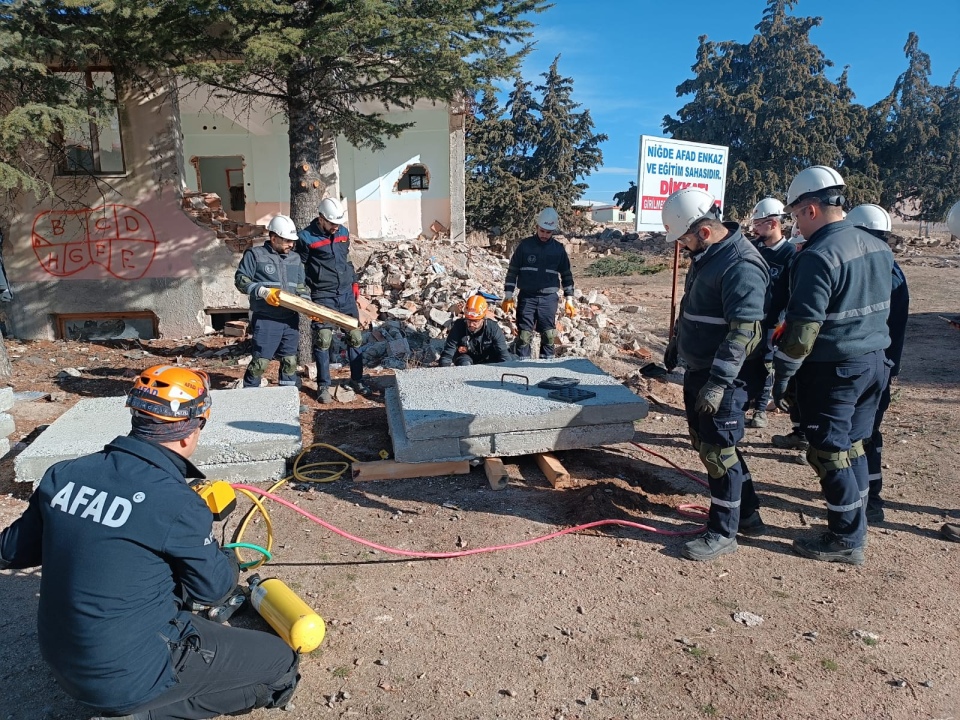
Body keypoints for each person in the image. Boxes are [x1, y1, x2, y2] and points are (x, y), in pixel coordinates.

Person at [0, 366, 300, 719]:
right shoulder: (178, 503)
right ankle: (142, 713)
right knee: (281, 664)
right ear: (193, 430)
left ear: (136, 416)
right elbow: (215, 590)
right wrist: (217, 551)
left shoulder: (64, 474)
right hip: (124, 678)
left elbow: (11, 551)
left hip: (61, 660)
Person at [773, 166, 894, 565]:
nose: (795, 225)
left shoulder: (819, 255)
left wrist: (783, 375)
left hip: (835, 369)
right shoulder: (877, 246)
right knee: (854, 446)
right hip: (874, 362)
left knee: (828, 452)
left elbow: (803, 329)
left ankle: (845, 538)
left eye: (794, 216)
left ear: (810, 209)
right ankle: (855, 523)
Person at [660, 188, 769, 561]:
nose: (683, 247)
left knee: (718, 451)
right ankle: (749, 513)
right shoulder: (708, 257)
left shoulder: (740, 265)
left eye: (685, 239)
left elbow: (744, 332)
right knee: (714, 447)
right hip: (699, 369)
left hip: (725, 377)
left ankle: (723, 531)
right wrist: (676, 341)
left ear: (704, 231)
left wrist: (719, 383)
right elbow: (692, 305)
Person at [845, 203, 910, 523]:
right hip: (880, 366)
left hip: (868, 366)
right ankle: (863, 492)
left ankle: (869, 498)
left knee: (863, 433)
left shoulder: (882, 274)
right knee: (864, 432)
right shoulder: (889, 268)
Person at [296, 198, 367, 403]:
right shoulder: (306, 237)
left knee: (355, 337)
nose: (336, 227)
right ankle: (323, 386)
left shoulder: (343, 233)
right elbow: (298, 266)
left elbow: (347, 260)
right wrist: (303, 292)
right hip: (322, 295)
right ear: (321, 218)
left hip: (345, 294)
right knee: (323, 339)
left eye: (338, 223)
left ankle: (357, 379)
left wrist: (353, 282)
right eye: (331, 223)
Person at [235, 215, 310, 389]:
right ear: (273, 237)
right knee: (260, 362)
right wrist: (262, 291)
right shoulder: (255, 255)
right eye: (286, 241)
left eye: (292, 241)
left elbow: (301, 287)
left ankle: (288, 402)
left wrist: (309, 308)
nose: (291, 245)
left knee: (290, 362)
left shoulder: (295, 259)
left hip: (290, 319)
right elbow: (240, 280)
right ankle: (249, 399)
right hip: (266, 318)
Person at [745, 197, 798, 429]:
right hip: (749, 320)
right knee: (745, 362)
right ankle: (744, 402)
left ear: (774, 223)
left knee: (767, 365)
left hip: (773, 323)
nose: (754, 229)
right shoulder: (754, 250)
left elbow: (792, 293)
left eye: (758, 224)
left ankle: (760, 410)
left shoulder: (790, 255)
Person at [501, 207, 576, 359]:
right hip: (527, 296)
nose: (544, 235)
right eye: (542, 231)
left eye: (548, 232)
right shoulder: (525, 246)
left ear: (553, 231)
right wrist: (508, 295)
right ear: (537, 227)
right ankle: (523, 365)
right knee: (524, 335)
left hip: (549, 298)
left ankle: (546, 364)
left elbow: (566, 274)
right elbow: (513, 271)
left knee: (548, 334)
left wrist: (569, 299)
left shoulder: (558, 249)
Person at [438, 295, 511, 367]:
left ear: (483, 319)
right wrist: (443, 366)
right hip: (465, 358)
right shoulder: (458, 326)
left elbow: (503, 353)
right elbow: (449, 351)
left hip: (489, 359)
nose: (471, 324)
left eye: (475, 321)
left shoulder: (493, 328)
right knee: (464, 364)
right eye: (468, 320)